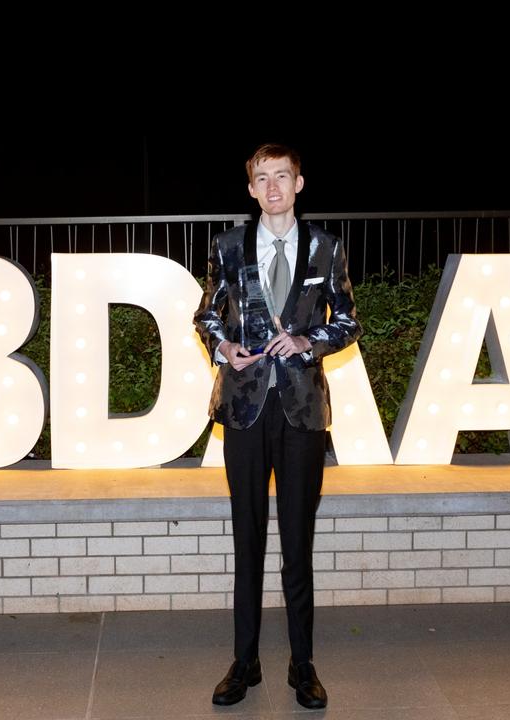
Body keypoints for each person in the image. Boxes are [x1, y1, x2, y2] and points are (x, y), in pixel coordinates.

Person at [194, 143, 361, 709]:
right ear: (250, 188)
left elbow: (347, 320)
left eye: (281, 177)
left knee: (298, 542)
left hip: (302, 412)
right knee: (248, 540)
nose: (271, 188)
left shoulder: (326, 248)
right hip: (243, 409)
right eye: (261, 178)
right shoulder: (226, 247)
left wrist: (311, 340)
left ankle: (302, 665)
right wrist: (222, 347)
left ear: (299, 183)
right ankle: (245, 664)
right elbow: (207, 312)